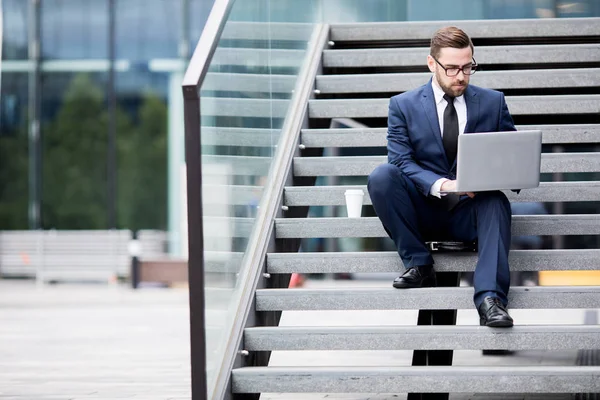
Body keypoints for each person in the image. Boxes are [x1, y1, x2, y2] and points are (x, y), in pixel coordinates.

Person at [367, 26, 516, 328]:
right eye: (452, 68)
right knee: (382, 176)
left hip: (470, 210)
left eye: (468, 67)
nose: (461, 76)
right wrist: (445, 185)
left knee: (496, 202)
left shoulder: (492, 102)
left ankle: (491, 300)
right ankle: (419, 263)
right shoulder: (403, 105)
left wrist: (484, 179)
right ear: (432, 64)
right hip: (424, 209)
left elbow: (510, 157)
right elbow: (400, 161)